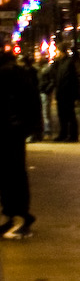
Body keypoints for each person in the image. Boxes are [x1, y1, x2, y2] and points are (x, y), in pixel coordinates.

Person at [0, 51, 40, 239]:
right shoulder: (20, 74)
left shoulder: (7, 75)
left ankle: (19, 217)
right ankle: (15, 216)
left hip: (9, 131)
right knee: (13, 174)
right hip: (15, 131)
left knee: (11, 175)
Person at [53, 52, 80, 142]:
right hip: (62, 93)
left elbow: (73, 79)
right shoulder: (60, 63)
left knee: (69, 115)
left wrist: (75, 94)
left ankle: (73, 135)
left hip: (67, 94)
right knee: (62, 115)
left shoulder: (68, 63)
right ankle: (63, 134)